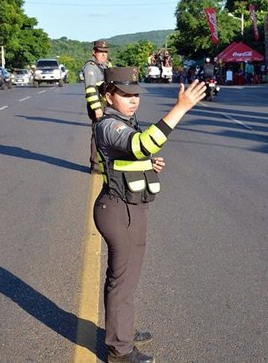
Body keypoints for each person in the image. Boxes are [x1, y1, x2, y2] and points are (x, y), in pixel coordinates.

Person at [93, 67, 206, 363]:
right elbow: (139, 144)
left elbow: (131, 156)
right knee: (122, 280)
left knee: (126, 279)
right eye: (125, 94)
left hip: (130, 207)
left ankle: (123, 330)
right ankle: (120, 350)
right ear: (108, 95)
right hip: (119, 209)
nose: (133, 100)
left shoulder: (124, 120)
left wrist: (147, 164)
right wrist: (180, 107)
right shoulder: (108, 124)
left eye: (136, 95)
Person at [83, 40, 111, 174]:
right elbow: (90, 90)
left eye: (105, 52)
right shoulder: (91, 67)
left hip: (106, 103)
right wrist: (97, 109)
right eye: (101, 52)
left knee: (107, 133)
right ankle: (95, 166)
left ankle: (105, 163)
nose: (104, 55)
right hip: (98, 105)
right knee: (98, 135)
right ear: (94, 52)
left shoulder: (105, 65)